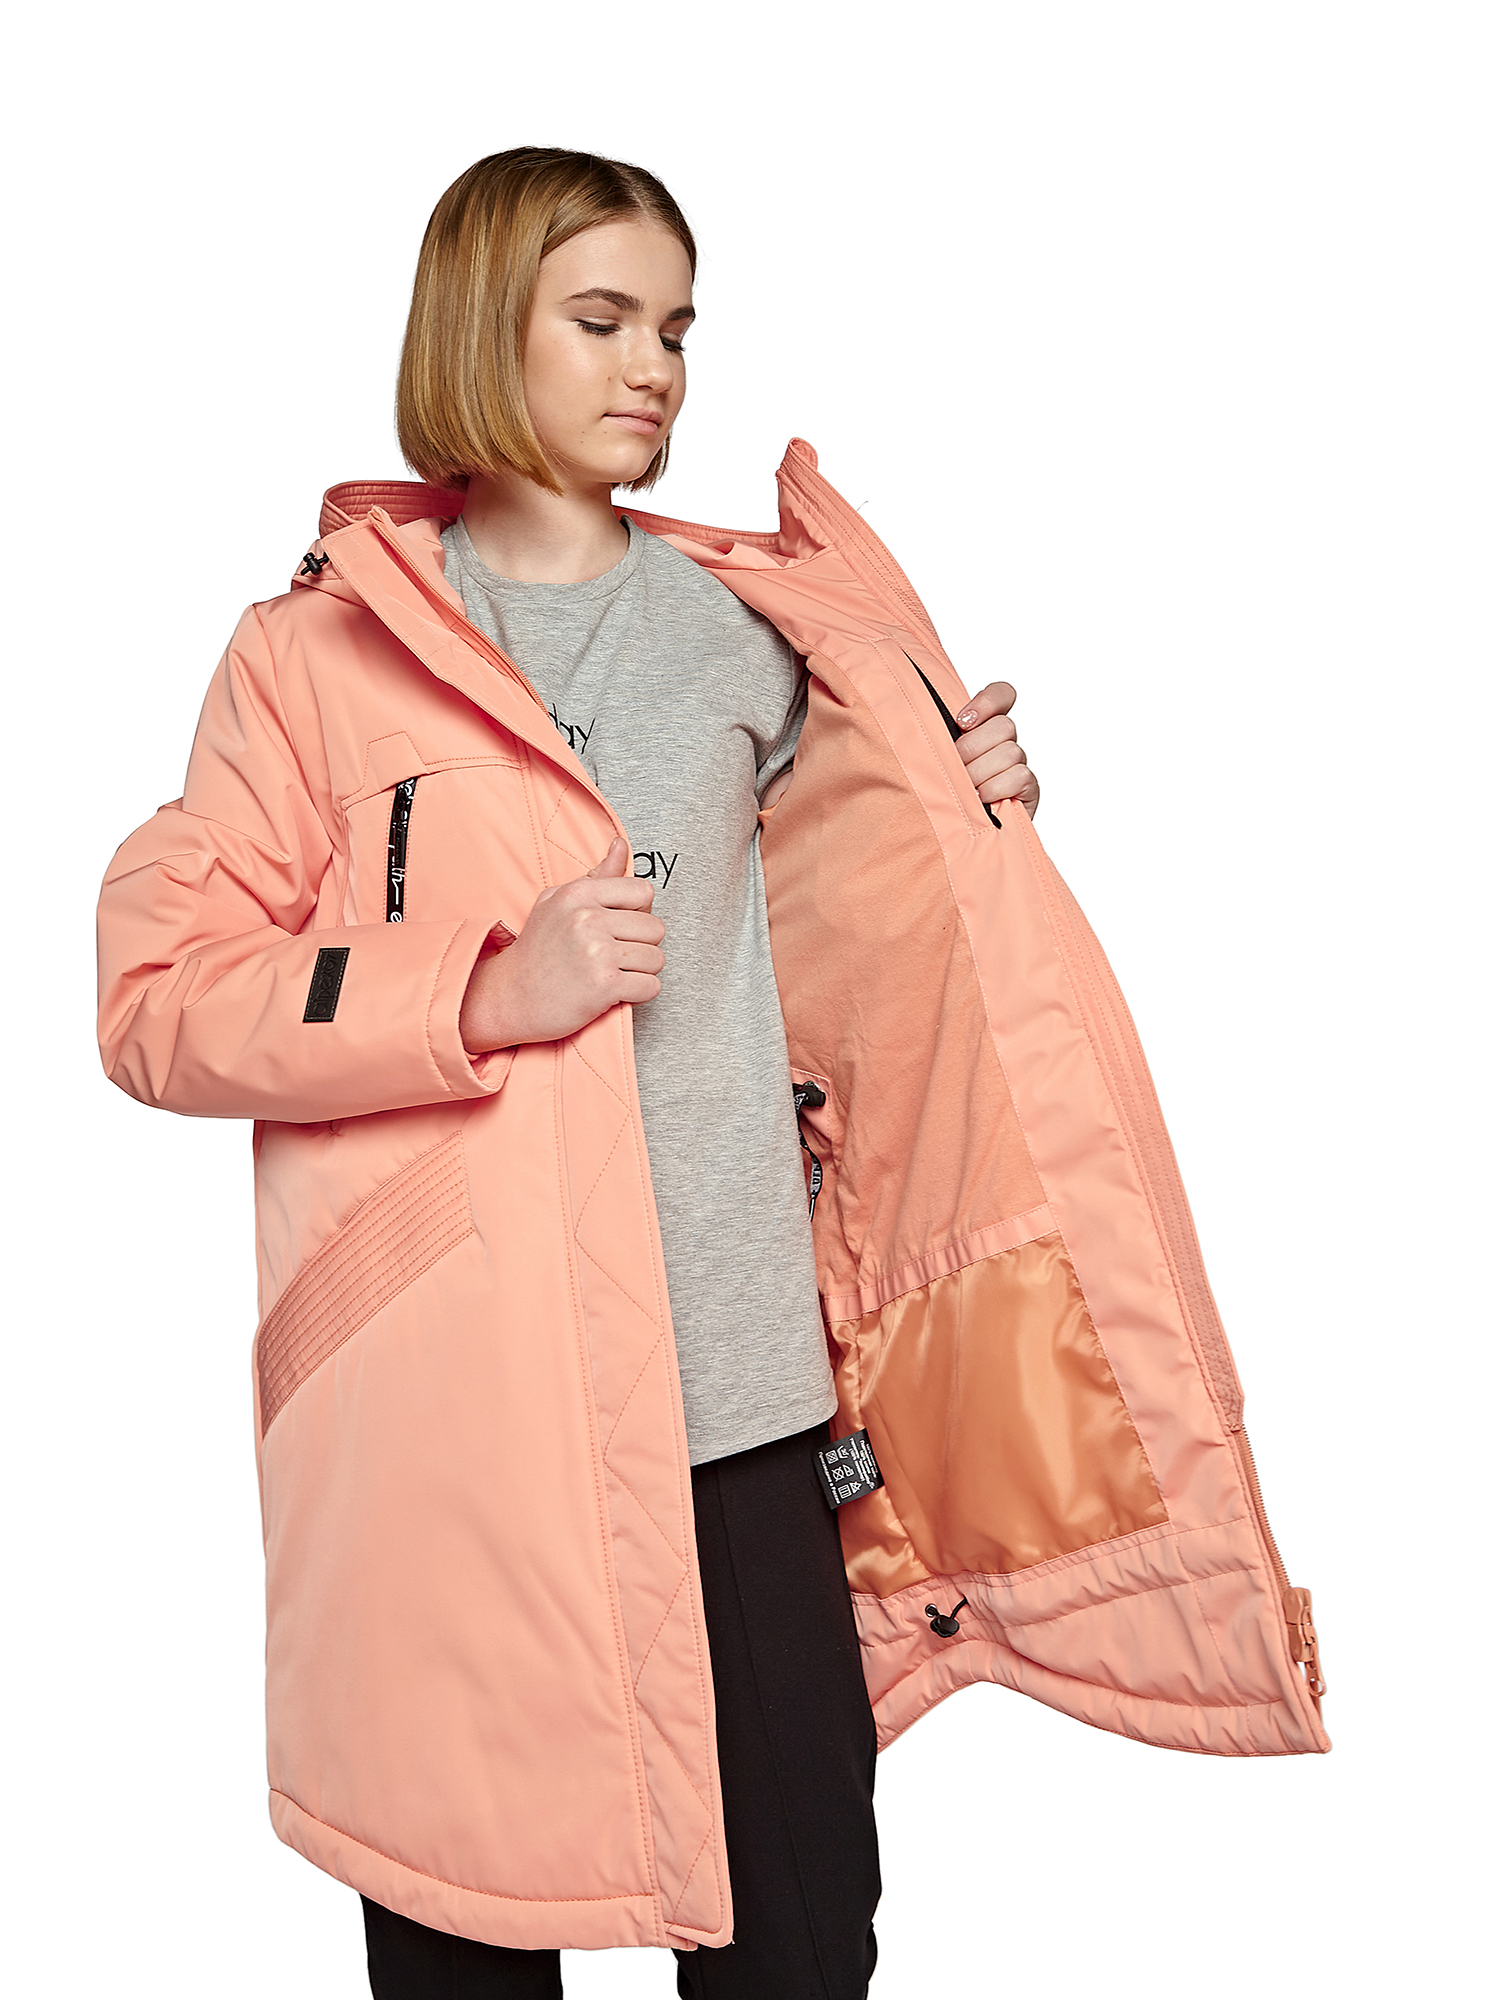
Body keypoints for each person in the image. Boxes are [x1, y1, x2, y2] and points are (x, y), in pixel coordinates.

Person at [97, 147, 1325, 2000]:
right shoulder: (312, 658)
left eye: (675, 328)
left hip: (747, 1395)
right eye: (600, 320)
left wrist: (971, 801)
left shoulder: (759, 628)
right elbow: (158, 996)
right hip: (460, 1419)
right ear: (477, 328)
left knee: (800, 1939)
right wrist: (480, 991)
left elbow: (864, 939)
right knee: (464, 1940)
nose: (652, 367)